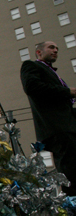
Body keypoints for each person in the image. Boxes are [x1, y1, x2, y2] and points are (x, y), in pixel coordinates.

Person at [21, 41, 76, 196]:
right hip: (58, 128)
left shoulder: (52, 73)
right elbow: (32, 87)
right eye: (51, 47)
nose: (55, 50)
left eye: (57, 48)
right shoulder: (31, 66)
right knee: (70, 171)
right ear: (39, 52)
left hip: (69, 127)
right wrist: (68, 92)